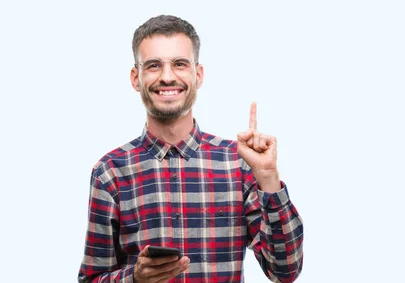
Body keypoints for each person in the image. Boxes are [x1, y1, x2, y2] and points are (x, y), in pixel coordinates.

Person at [77, 15, 304, 283]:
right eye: (153, 65)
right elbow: (91, 278)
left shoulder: (240, 163)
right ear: (135, 78)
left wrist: (267, 177)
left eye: (180, 64)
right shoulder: (109, 172)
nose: (167, 77)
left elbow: (284, 271)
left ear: (198, 75)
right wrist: (133, 279)